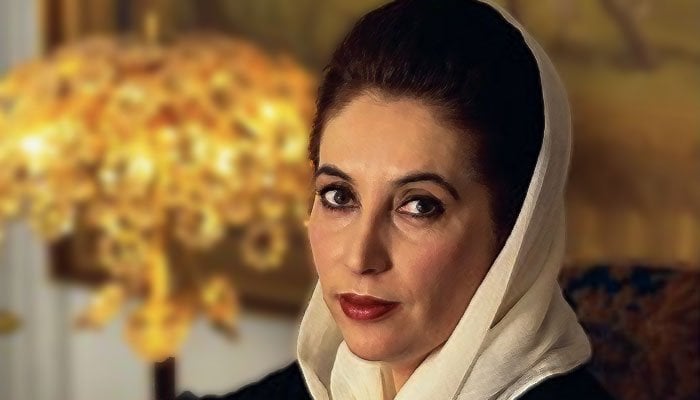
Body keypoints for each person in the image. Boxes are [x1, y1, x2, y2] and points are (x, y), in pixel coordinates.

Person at [179, 0, 615, 399]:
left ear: (516, 228)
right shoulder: (318, 386)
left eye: (419, 206)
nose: (361, 257)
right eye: (339, 196)